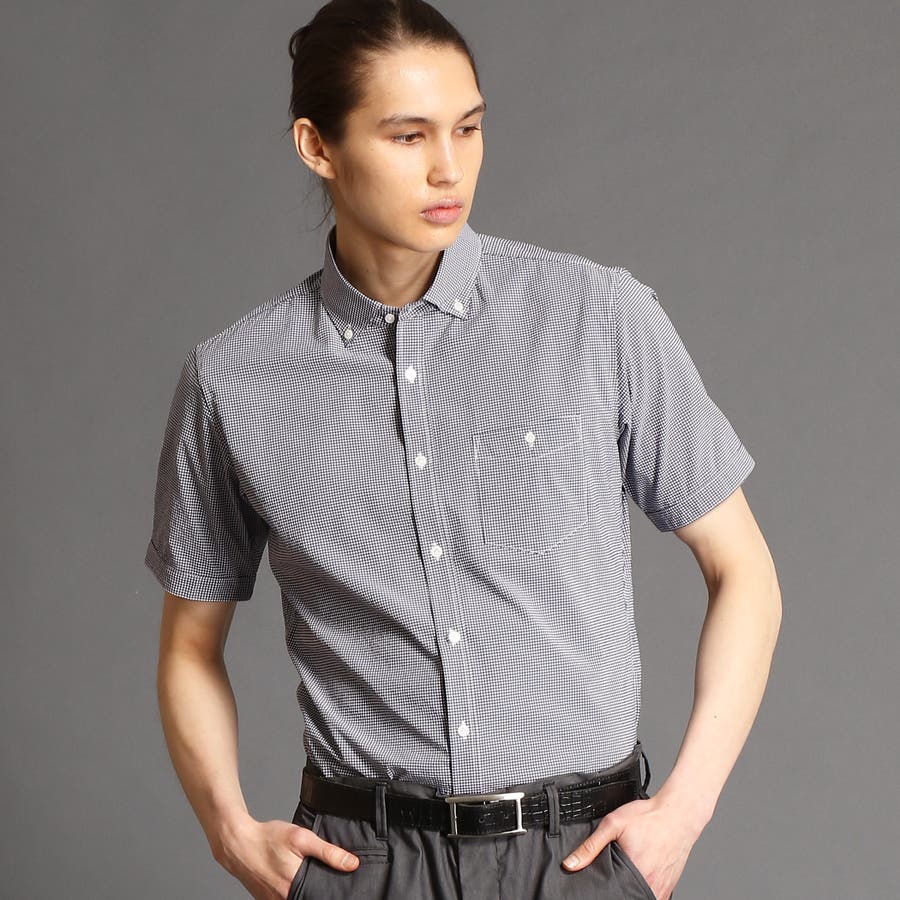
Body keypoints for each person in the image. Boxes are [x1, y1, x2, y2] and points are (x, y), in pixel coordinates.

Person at [144, 1, 782, 898]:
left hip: (580, 859)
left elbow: (743, 569)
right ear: (317, 146)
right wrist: (227, 831)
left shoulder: (596, 317)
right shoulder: (233, 380)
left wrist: (685, 810)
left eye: (469, 128)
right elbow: (189, 645)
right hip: (367, 864)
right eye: (408, 136)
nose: (449, 166)